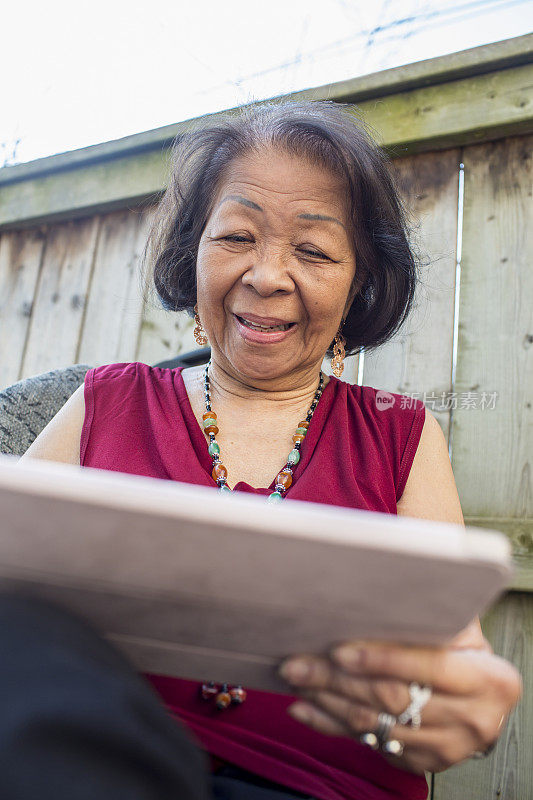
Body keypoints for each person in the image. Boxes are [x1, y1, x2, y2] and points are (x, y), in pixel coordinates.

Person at [16, 99, 521, 800]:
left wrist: (452, 706)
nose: (266, 276)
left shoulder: (398, 433)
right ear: (192, 252)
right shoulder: (106, 402)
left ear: (359, 283)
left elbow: (452, 664)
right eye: (236, 238)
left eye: (312, 251)